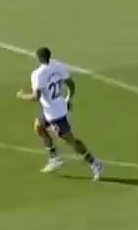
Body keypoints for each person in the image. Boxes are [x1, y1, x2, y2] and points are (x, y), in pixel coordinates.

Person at [15, 47, 103, 179]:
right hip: (51, 109)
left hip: (55, 115)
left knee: (71, 140)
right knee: (38, 126)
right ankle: (55, 158)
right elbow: (71, 84)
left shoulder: (38, 74)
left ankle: (94, 163)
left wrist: (22, 95)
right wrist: (68, 98)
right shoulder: (59, 67)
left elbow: (36, 96)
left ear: (38, 58)